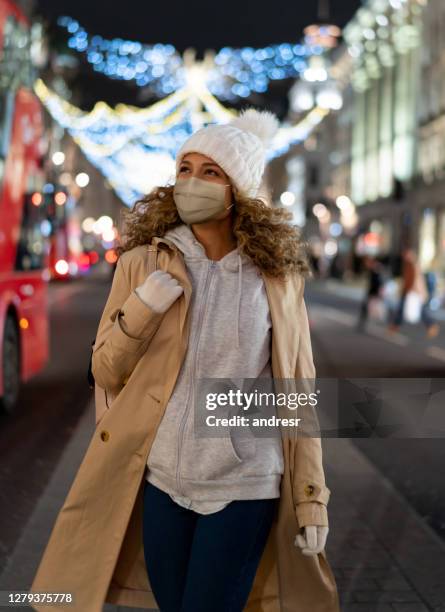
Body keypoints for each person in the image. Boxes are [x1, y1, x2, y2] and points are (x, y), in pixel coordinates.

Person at [30, 108, 339, 612]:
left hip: (246, 485)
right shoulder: (141, 263)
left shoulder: (276, 279)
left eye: (210, 172)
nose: (191, 182)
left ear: (237, 189)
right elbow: (106, 371)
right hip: (160, 480)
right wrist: (142, 309)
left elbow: (297, 392)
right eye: (185, 170)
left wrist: (310, 496)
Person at [389, 248, 440, 338]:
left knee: (415, 310)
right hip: (413, 293)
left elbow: (413, 281)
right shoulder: (412, 265)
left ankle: (431, 326)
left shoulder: (412, 266)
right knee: (414, 310)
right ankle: (394, 327)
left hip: (413, 293)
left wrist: (408, 291)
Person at [357, 255, 385, 331]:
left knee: (368, 308)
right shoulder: (374, 269)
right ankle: (362, 324)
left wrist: (380, 291)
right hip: (372, 292)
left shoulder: (376, 269)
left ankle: (363, 324)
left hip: (373, 292)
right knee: (366, 308)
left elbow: (379, 282)